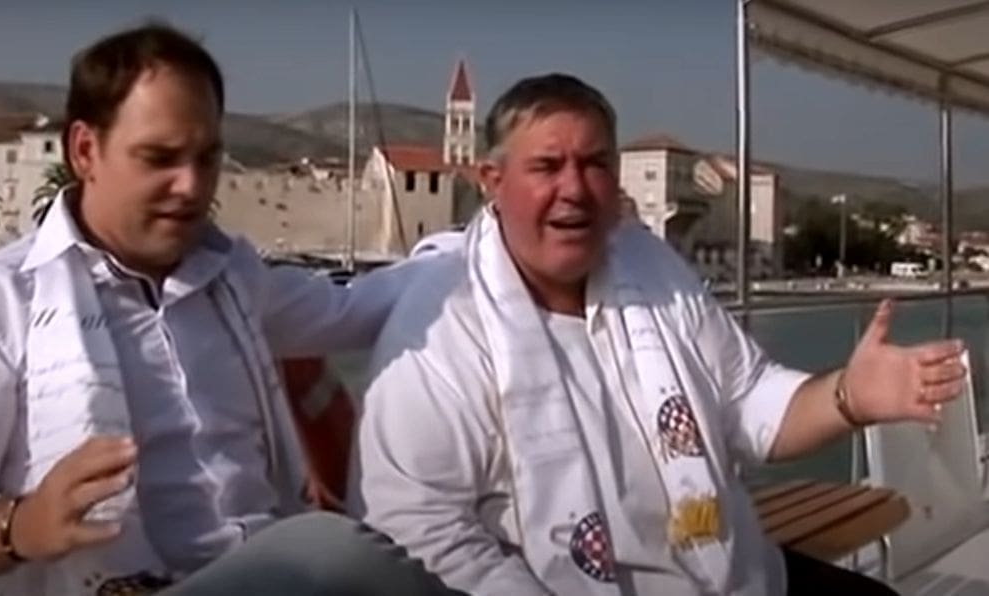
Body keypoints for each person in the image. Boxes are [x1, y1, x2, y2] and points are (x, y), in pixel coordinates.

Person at [0, 22, 457, 596]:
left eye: (207, 159)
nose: (192, 186)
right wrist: (21, 525)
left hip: (259, 572)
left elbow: (355, 307)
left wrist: (484, 245)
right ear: (85, 151)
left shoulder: (236, 281)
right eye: (160, 158)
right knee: (339, 550)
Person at [349, 73, 966, 595]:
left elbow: (748, 399)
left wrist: (849, 396)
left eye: (595, 164)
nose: (574, 189)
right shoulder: (440, 330)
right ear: (491, 179)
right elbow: (419, 527)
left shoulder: (652, 267)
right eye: (547, 166)